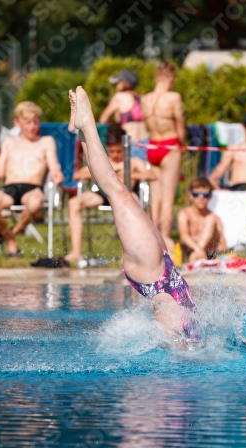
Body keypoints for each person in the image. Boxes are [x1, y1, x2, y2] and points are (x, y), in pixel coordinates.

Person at [68, 86, 198, 346]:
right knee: (118, 191)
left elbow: (174, 341)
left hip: (154, 274)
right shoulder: (196, 338)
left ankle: (87, 123)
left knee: (118, 193)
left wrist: (180, 349)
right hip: (162, 267)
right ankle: (81, 129)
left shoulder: (178, 334)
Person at [64, 124, 155, 263]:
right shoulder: (104, 162)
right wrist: (105, 174)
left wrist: (130, 174)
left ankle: (131, 254)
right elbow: (78, 175)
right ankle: (76, 252)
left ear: (125, 147)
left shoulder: (133, 162)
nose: (116, 155)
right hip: (104, 195)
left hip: (127, 197)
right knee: (73, 203)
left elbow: (152, 175)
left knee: (135, 203)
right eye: (112, 151)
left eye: (119, 151)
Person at [0, 101, 64, 257]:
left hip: (32, 188)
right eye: (28, 122)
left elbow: (54, 167)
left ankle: (11, 232)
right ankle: (11, 240)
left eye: (36, 122)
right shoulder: (10, 142)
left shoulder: (46, 142)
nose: (32, 126)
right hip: (9, 187)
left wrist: (57, 175)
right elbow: (0, 171)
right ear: (17, 123)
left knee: (35, 203)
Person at [141, 62, 185, 251]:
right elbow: (180, 127)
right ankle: (165, 239)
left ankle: (151, 238)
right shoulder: (174, 97)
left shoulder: (145, 99)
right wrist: (182, 144)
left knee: (155, 198)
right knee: (168, 199)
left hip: (152, 146)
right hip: (169, 145)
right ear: (169, 79)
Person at [209, 112, 246, 200]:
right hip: (234, 189)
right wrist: (212, 182)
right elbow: (220, 169)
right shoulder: (234, 148)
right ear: (242, 126)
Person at [178, 177, 226, 262]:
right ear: (190, 195)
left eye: (205, 194)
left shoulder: (215, 218)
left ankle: (195, 257)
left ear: (210, 196)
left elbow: (223, 246)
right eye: (196, 194)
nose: (201, 198)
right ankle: (196, 255)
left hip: (207, 253)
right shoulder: (184, 214)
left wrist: (206, 251)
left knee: (210, 219)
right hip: (190, 251)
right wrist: (199, 250)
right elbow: (184, 236)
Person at [99, 69, 147, 143]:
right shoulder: (141, 98)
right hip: (145, 142)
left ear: (126, 83)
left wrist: (116, 125)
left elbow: (103, 119)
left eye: (119, 81)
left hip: (130, 142)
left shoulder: (119, 96)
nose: (116, 84)